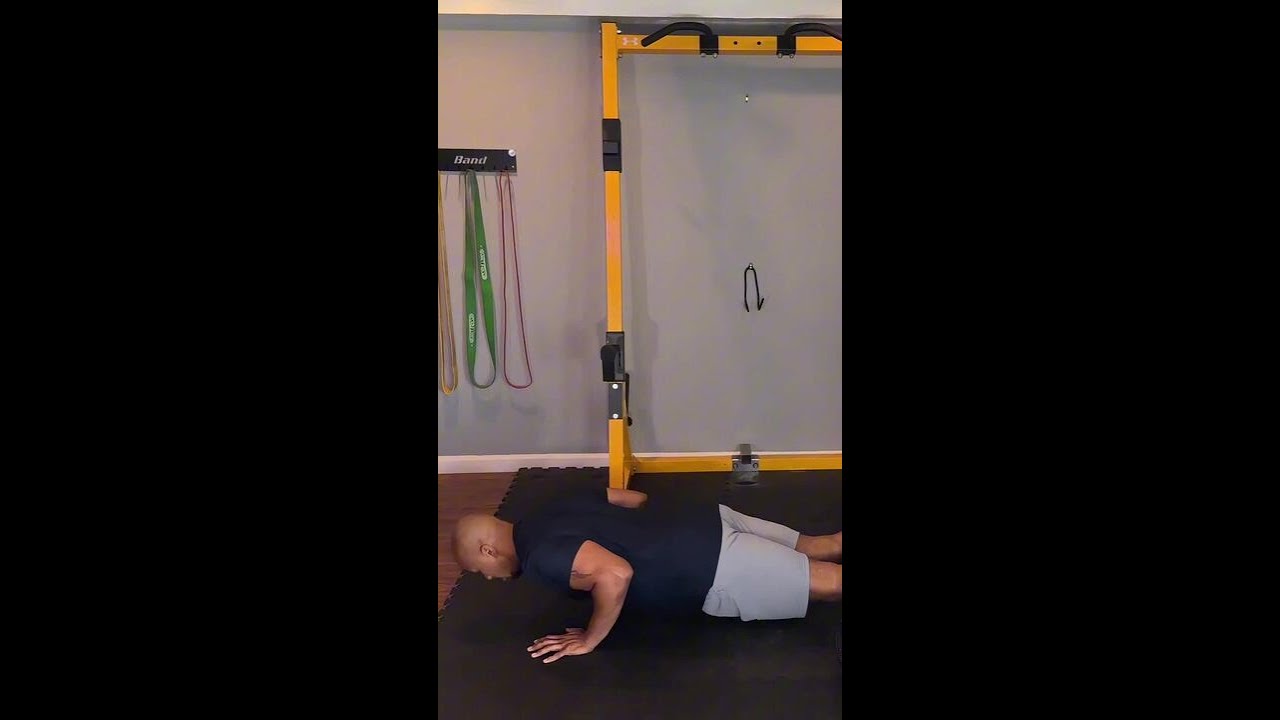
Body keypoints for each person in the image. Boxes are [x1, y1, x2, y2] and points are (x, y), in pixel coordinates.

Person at [450, 485, 842, 664]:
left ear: (488, 551)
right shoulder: (547, 504)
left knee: (832, 584)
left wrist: (589, 638)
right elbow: (632, 499)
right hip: (705, 519)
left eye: (480, 571)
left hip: (711, 563)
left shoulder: (539, 556)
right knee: (819, 545)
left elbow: (615, 574)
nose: (489, 578)